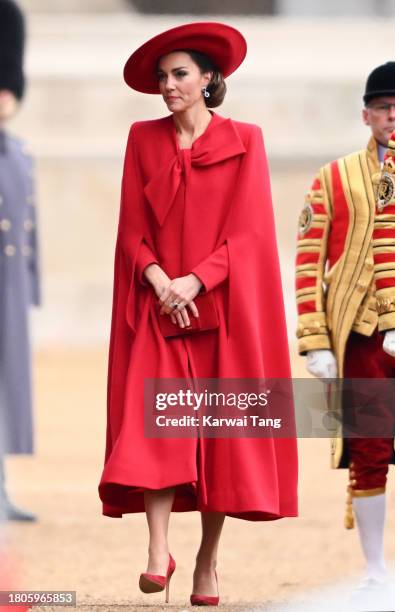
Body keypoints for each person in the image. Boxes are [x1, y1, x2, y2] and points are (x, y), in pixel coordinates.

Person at [99, 22, 298, 606]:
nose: (168, 86)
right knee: (152, 427)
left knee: (219, 439)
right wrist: (161, 280)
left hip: (221, 309)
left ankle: (207, 562)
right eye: (162, 77)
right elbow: (131, 228)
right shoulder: (142, 138)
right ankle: (159, 551)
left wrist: (195, 279)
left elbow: (252, 232)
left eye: (179, 74)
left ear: (210, 78)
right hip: (158, 307)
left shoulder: (247, 139)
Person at [295, 62, 395, 606]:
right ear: (366, 114)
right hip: (361, 335)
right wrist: (314, 339)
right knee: (370, 450)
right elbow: (309, 260)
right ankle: (376, 567)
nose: (393, 116)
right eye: (384, 107)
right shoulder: (333, 178)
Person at [0, 0, 40, 522]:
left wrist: (30, 287)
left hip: (6, 286)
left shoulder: (18, 153)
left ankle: (1, 485)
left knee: (7, 389)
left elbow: (25, 225)